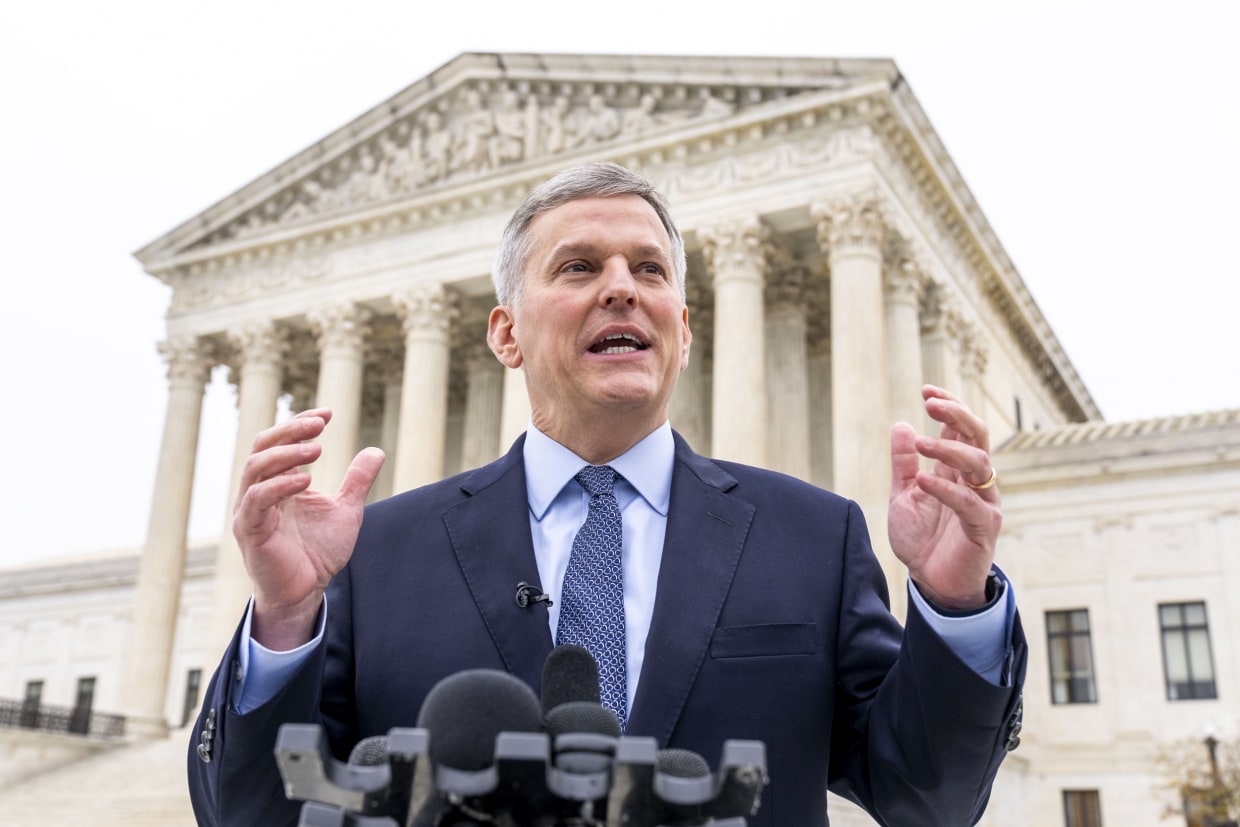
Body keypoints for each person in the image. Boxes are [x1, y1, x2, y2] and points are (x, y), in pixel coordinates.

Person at [187, 162, 1026, 826]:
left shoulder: (812, 537)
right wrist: (288, 618)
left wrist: (953, 603)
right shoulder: (379, 551)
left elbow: (929, 800)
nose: (621, 286)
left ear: (684, 330)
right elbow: (251, 813)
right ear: (507, 332)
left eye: (649, 269)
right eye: (580, 265)